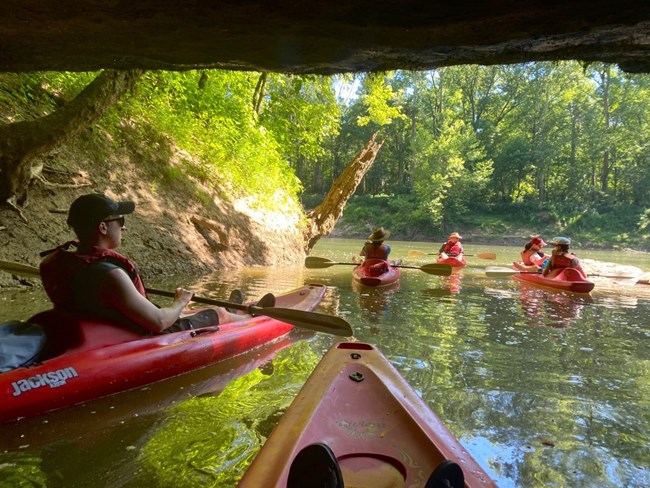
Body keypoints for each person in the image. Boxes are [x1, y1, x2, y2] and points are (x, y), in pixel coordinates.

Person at [39, 193, 274, 334]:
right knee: (215, 313)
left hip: (98, 326)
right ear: (102, 227)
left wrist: (178, 307)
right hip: (137, 334)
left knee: (189, 311)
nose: (124, 226)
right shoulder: (110, 275)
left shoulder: (52, 263)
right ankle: (254, 318)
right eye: (119, 220)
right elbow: (159, 322)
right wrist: (180, 301)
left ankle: (234, 308)